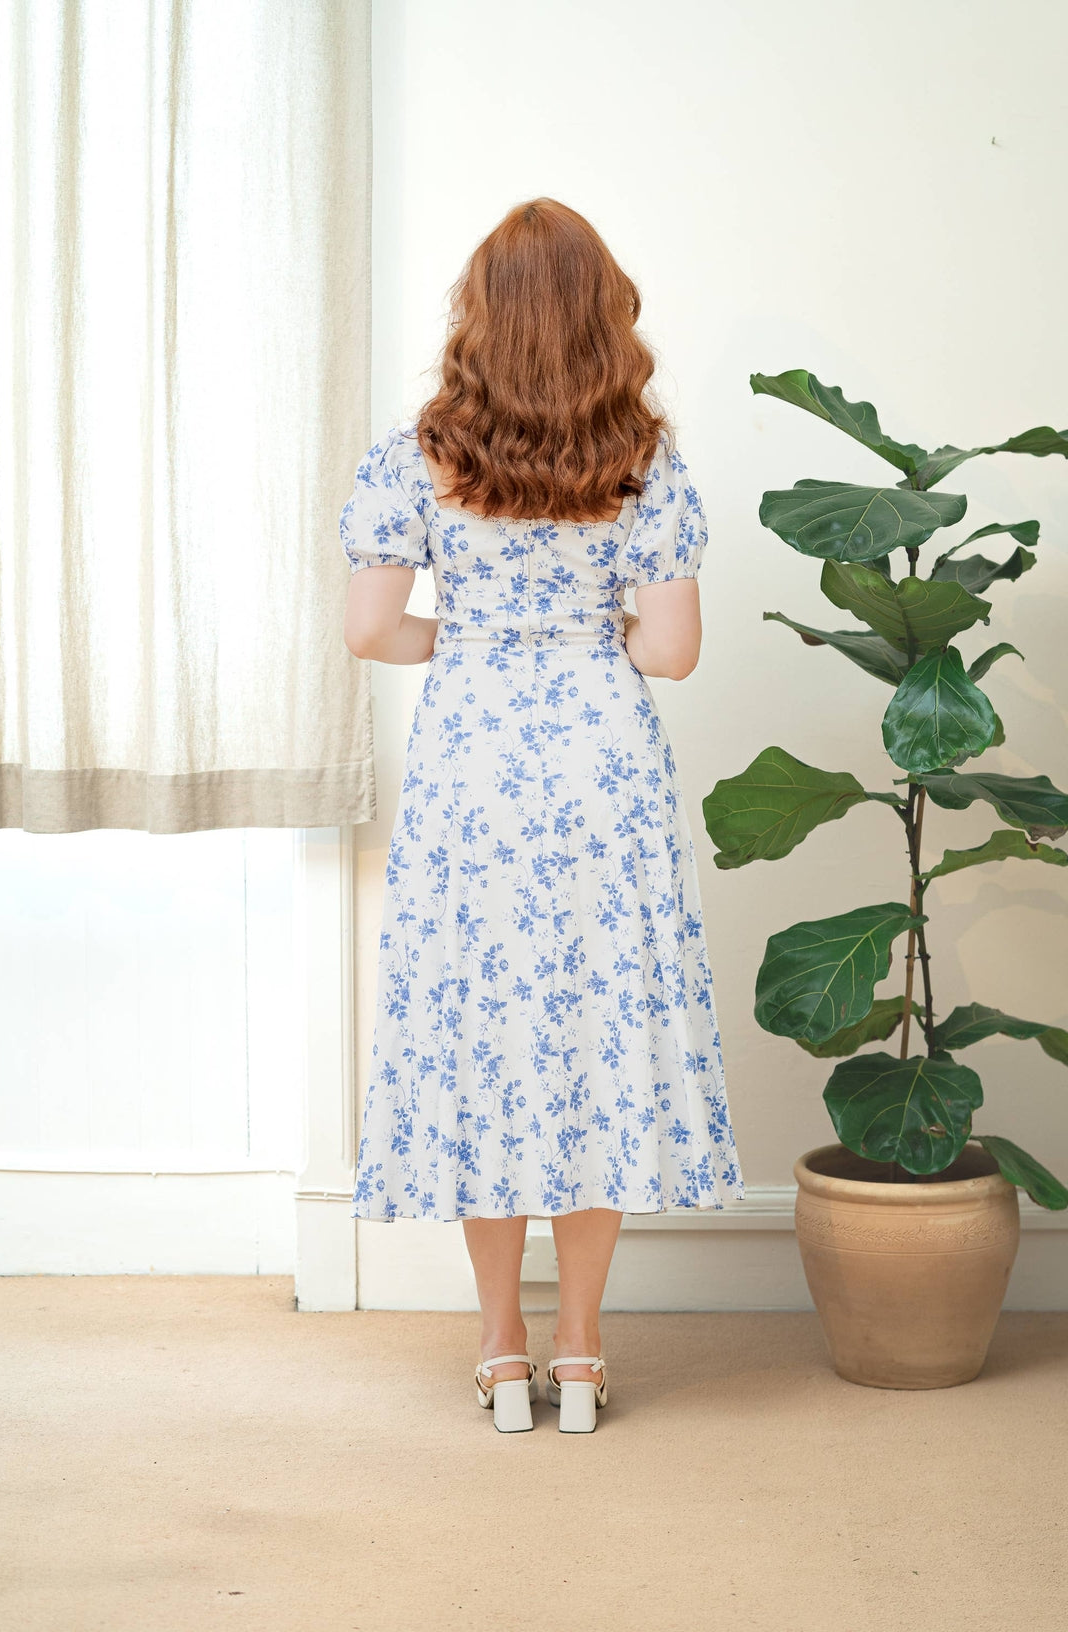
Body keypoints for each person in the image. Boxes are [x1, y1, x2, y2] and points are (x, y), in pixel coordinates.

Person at [339, 198, 745, 1434]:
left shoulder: (414, 454)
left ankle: (500, 1350)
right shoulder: (643, 459)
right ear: (598, 313)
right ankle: (580, 1354)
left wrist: (468, 634)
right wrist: (587, 632)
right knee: (596, 1039)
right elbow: (669, 653)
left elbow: (368, 630)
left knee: (482, 1038)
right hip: (599, 766)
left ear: (479, 316)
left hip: (469, 766)